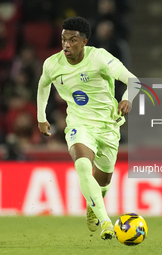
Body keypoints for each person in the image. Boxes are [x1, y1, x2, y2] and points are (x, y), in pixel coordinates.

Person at [36, 16, 139, 240]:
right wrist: (41, 117)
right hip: (79, 123)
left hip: (108, 126)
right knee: (83, 167)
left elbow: (133, 81)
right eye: (63, 39)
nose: (66, 44)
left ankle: (93, 207)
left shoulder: (99, 58)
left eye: (72, 40)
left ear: (84, 42)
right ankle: (106, 223)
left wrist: (127, 98)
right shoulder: (52, 64)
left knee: (103, 182)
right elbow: (43, 85)